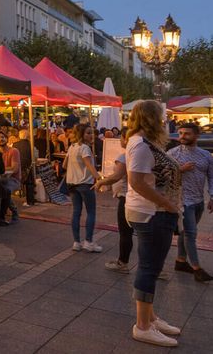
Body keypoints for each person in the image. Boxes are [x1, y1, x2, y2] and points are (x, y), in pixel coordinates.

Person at [124, 100, 183, 347]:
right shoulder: (140, 145)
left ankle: (150, 317)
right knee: (149, 268)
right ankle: (143, 326)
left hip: (155, 212)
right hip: (151, 213)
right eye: (161, 116)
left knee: (152, 266)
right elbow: (136, 181)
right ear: (150, 117)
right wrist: (167, 205)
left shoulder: (144, 143)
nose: (164, 120)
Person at [168, 122, 213, 283]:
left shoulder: (205, 155)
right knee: (190, 233)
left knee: (185, 233)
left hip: (198, 200)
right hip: (183, 202)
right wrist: (180, 170)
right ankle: (197, 269)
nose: (182, 136)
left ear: (197, 136)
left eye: (187, 133)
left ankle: (181, 261)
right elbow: (161, 175)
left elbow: (212, 176)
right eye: (180, 133)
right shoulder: (172, 154)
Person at [95, 135, 133, 273]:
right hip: (138, 198)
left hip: (127, 198)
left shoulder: (125, 156)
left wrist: (101, 182)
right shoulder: (143, 153)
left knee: (126, 232)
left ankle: (123, 263)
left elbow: (116, 176)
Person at [65, 124, 102, 251]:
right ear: (81, 134)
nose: (91, 135)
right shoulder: (85, 148)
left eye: (92, 133)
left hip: (72, 184)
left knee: (76, 212)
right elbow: (89, 166)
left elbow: (65, 165)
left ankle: (76, 242)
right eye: (88, 133)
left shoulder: (72, 147)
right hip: (84, 184)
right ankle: (88, 241)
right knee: (91, 212)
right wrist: (99, 179)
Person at [0, 133, 21, 223]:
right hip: (1, 179)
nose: (1, 139)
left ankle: (14, 211)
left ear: (7, 139)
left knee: (6, 190)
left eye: (3, 137)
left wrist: (1, 169)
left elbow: (15, 168)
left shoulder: (14, 151)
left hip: (13, 179)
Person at [16, 126, 37, 206]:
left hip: (18, 166)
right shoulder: (30, 144)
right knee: (29, 183)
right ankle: (30, 201)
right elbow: (35, 156)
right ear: (28, 136)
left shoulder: (15, 144)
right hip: (28, 166)